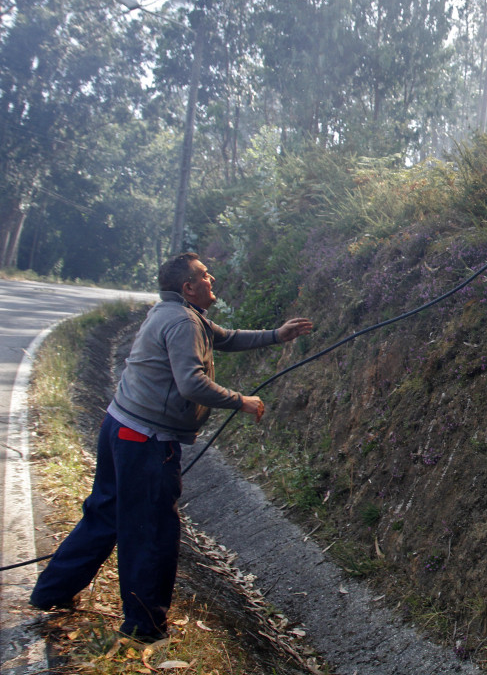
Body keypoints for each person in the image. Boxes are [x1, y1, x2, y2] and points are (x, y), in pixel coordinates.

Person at [30, 253, 313, 641]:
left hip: (120, 425)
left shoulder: (172, 312)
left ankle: (51, 593)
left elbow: (225, 338)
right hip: (144, 442)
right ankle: (145, 627)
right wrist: (239, 400)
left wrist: (276, 336)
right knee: (151, 534)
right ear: (188, 287)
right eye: (204, 275)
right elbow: (191, 384)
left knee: (106, 516)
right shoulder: (183, 321)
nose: (211, 278)